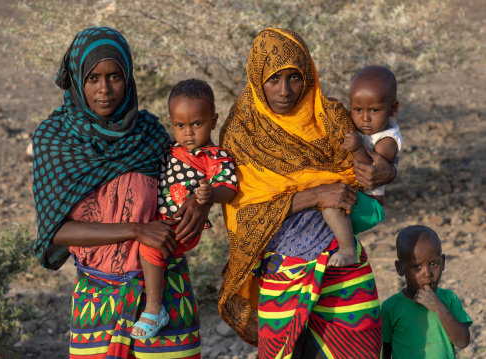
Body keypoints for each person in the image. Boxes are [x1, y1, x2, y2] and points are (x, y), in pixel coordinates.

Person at [32, 27, 210, 358]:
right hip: (96, 300)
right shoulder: (55, 142)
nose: (104, 89)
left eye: (114, 76)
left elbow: (194, 171)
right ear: (77, 80)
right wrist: (135, 230)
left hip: (165, 295)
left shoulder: (151, 135)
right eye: (93, 78)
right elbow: (54, 231)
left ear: (128, 78)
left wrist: (201, 202)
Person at [218, 27, 397, 359]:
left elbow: (371, 169)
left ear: (309, 75)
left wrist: (390, 169)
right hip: (280, 269)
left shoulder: (329, 116)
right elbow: (243, 213)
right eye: (274, 79)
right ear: (258, 79)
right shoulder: (242, 132)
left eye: (295, 78)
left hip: (339, 258)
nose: (285, 91)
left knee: (358, 351)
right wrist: (315, 195)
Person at [131, 79, 237, 339]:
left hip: (183, 225)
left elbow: (229, 188)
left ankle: (155, 309)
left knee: (151, 247)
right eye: (180, 125)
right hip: (161, 219)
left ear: (213, 120)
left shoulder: (215, 157)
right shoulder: (170, 148)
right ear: (171, 123)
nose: (188, 132)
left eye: (197, 124)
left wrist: (210, 194)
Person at [323, 65, 404, 267]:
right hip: (358, 197)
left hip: (371, 204)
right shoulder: (360, 125)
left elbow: (371, 173)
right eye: (357, 110)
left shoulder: (388, 140)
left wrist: (358, 148)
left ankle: (348, 250)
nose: (364, 118)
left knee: (331, 204)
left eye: (374, 110)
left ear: (393, 109)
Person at [381, 225, 472, 358]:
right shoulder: (391, 307)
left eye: (434, 264)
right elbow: (385, 350)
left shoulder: (449, 299)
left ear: (443, 262)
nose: (427, 274)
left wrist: (439, 308)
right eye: (417, 266)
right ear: (400, 268)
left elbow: (462, 342)